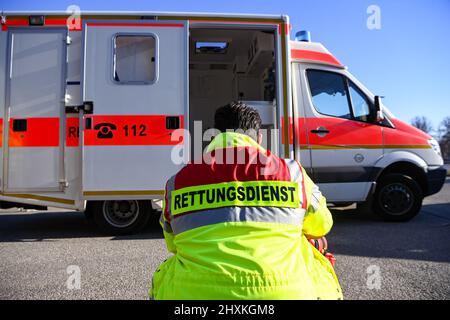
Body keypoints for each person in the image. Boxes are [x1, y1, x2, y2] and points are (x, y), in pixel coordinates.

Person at [150, 101, 343, 300]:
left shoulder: (178, 182)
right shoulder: (292, 173)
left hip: (193, 295)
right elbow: (323, 224)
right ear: (259, 137)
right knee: (312, 245)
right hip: (282, 293)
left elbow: (173, 245)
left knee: (167, 270)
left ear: (215, 136)